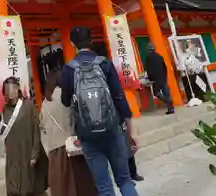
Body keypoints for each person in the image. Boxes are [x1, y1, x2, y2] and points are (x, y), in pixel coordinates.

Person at [60, 26, 139, 196]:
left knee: (104, 187)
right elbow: (120, 99)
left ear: (73, 44)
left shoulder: (69, 69)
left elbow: (65, 101)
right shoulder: (104, 64)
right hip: (112, 129)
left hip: (87, 135)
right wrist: (131, 132)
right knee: (125, 181)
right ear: (92, 40)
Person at [40, 70, 97, 196]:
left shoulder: (44, 103)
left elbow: (43, 127)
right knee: (81, 182)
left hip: (55, 150)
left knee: (62, 186)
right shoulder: (66, 96)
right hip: (71, 145)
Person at [0, 76, 48, 196]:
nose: (10, 92)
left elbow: (36, 131)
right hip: (13, 156)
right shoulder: (5, 110)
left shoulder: (28, 105)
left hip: (28, 151)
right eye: (7, 89)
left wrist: (35, 153)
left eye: (13, 88)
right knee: (15, 188)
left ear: (18, 89)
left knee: (31, 187)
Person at [145, 43, 175, 114]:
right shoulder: (160, 56)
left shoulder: (148, 57)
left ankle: (168, 101)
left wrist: (150, 78)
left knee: (156, 93)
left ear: (148, 49)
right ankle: (170, 109)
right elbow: (165, 67)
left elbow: (148, 69)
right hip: (163, 77)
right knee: (166, 93)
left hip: (156, 78)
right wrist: (165, 76)